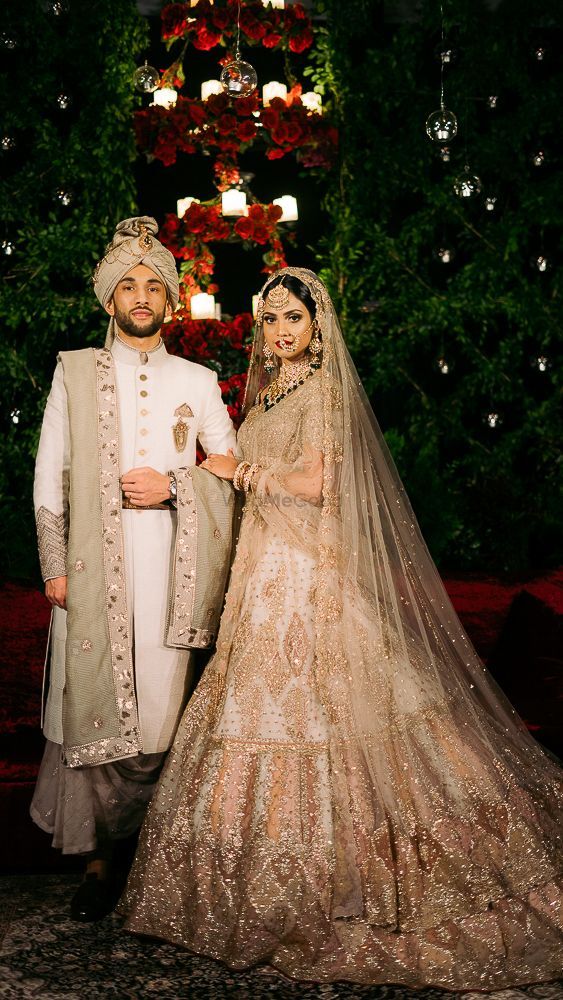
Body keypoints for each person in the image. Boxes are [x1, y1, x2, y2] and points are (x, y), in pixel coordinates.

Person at [119, 267, 563, 990]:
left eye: (293, 318)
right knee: (246, 708)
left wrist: (242, 475)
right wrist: (204, 479)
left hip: (304, 574)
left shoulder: (322, 391)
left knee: (337, 712)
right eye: (270, 321)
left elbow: (316, 484)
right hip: (261, 572)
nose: (281, 332)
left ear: (317, 326)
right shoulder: (266, 391)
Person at [31, 216, 236, 922]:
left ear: (172, 302)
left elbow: (229, 468)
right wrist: (54, 568)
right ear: (108, 299)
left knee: (158, 718)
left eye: (154, 285)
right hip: (91, 572)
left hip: (173, 572)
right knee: (90, 708)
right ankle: (98, 860)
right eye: (128, 284)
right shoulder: (74, 370)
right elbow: (47, 474)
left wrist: (177, 486)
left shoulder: (199, 380)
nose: (141, 295)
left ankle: (153, 859)